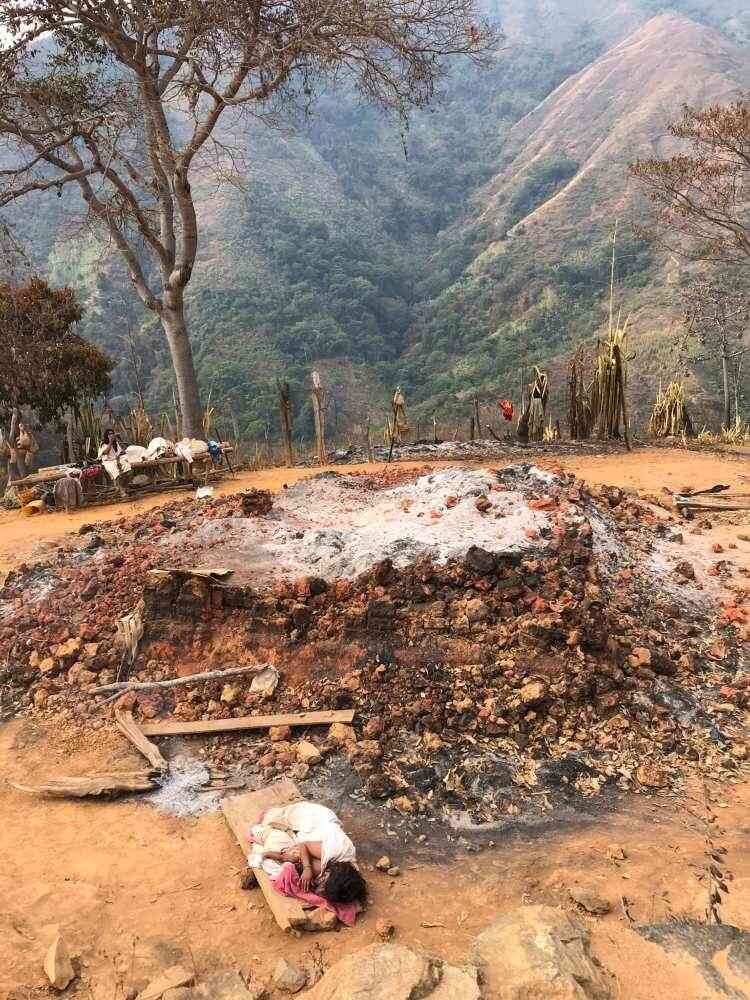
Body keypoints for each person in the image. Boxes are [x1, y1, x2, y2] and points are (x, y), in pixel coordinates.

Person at [250, 801, 367, 907]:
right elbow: (304, 845)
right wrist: (307, 868)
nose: (321, 882)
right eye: (323, 881)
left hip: (307, 834)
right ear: (330, 872)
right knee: (268, 819)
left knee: (273, 835)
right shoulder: (336, 851)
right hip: (311, 817)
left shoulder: (344, 868)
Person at [97, 428, 131, 495]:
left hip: (117, 459)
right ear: (106, 436)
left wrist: (119, 440)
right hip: (108, 462)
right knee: (116, 473)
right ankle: (122, 491)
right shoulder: (103, 444)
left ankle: (124, 487)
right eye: (109, 434)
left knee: (128, 469)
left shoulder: (116, 443)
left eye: (112, 433)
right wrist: (110, 442)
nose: (111, 435)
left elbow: (121, 452)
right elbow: (105, 452)